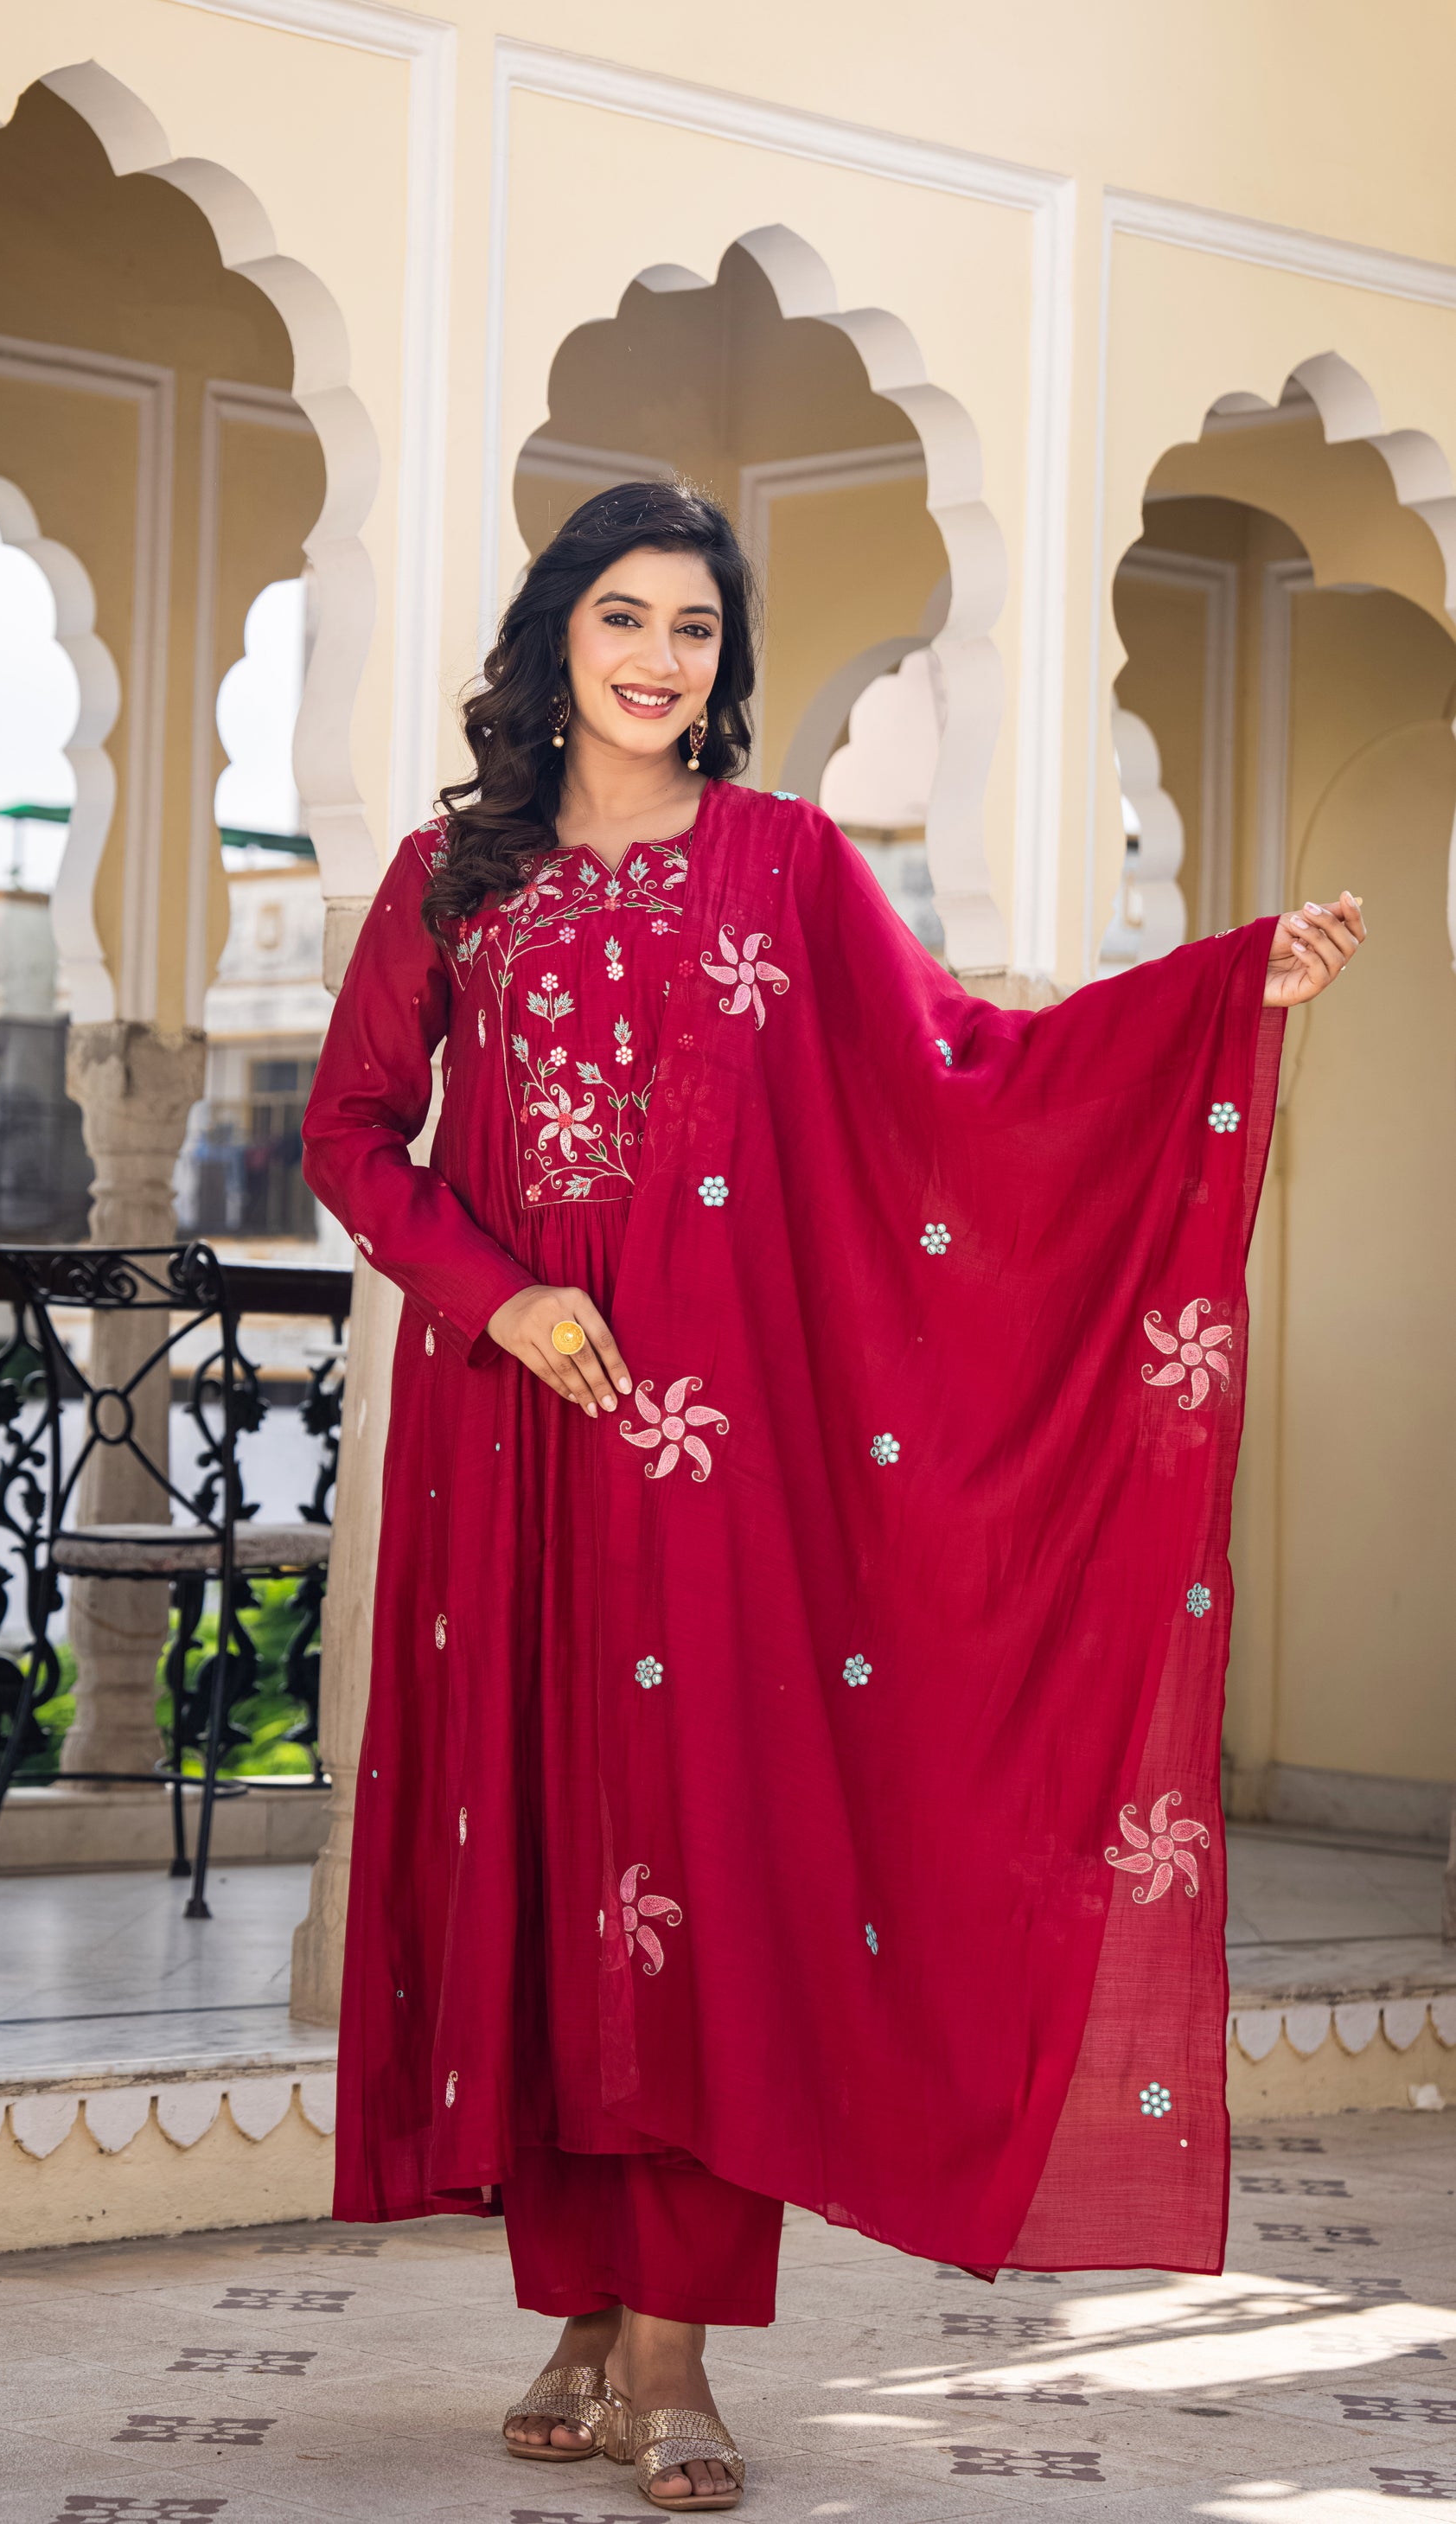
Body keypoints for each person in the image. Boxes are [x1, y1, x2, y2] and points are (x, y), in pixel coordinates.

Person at [301, 481, 1365, 2510]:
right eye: (623, 617)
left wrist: (1227, 997)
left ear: (723, 665)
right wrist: (501, 1297)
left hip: (718, 1460)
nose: (658, 658)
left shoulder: (783, 866)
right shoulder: (451, 877)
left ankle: (679, 2346)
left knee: (698, 1870)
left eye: (693, 629)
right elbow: (351, 1140)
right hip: (511, 1435)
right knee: (544, 1854)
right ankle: (584, 2302)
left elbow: (965, 1062)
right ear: (554, 642)